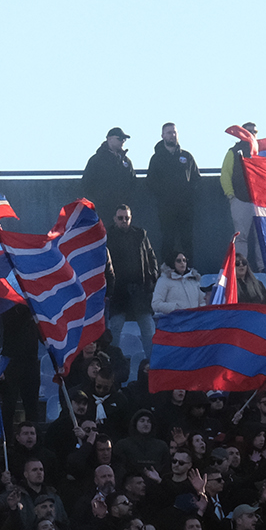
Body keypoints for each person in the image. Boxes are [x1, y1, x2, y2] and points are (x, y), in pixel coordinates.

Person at [106, 205, 158, 360]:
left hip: (139, 290)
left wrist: (151, 279)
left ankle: (153, 365)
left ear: (131, 218)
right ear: (115, 219)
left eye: (127, 218)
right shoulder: (108, 236)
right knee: (114, 330)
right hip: (118, 292)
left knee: (148, 329)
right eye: (121, 218)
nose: (124, 221)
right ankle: (112, 366)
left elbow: (151, 258)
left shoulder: (140, 235)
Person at [145, 123, 198, 264]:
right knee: (168, 239)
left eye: (174, 132)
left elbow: (196, 179)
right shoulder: (156, 159)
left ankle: (189, 270)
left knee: (187, 240)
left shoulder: (187, 157)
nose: (172, 135)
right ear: (162, 136)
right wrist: (164, 195)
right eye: (168, 133)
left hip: (185, 208)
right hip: (166, 208)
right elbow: (150, 181)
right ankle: (167, 268)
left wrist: (188, 195)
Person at [220, 124, 260, 271]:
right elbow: (225, 175)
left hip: (260, 202)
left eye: (255, 131)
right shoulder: (233, 152)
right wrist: (231, 196)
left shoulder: (261, 152)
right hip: (240, 200)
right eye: (249, 131)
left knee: (261, 238)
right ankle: (240, 268)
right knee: (241, 237)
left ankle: (263, 268)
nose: (252, 134)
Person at [81, 127, 136, 223]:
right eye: (119, 138)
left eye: (124, 139)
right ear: (109, 139)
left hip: (122, 210)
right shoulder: (96, 160)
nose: (122, 141)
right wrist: (99, 200)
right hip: (103, 209)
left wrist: (128, 201)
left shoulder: (126, 161)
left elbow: (133, 183)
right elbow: (87, 184)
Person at [151, 252, 202, 320]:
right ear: (172, 262)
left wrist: (200, 312)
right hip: (174, 323)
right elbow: (156, 304)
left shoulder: (193, 280)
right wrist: (175, 308)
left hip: (194, 321)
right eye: (178, 261)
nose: (182, 263)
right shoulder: (164, 280)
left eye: (184, 260)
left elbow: (202, 301)